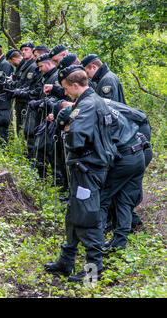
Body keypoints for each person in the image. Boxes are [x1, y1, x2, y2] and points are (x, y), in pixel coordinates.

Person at [44, 65, 116, 283]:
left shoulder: (85, 106)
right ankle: (66, 261)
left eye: (66, 88)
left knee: (87, 218)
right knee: (74, 214)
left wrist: (66, 128)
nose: (65, 93)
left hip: (87, 169)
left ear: (75, 85)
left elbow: (76, 137)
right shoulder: (92, 101)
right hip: (86, 167)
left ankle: (93, 272)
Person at [99, 98, 146, 253]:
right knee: (124, 199)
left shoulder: (94, 109)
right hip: (138, 152)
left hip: (127, 157)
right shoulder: (106, 103)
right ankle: (119, 242)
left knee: (104, 197)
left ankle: (95, 241)